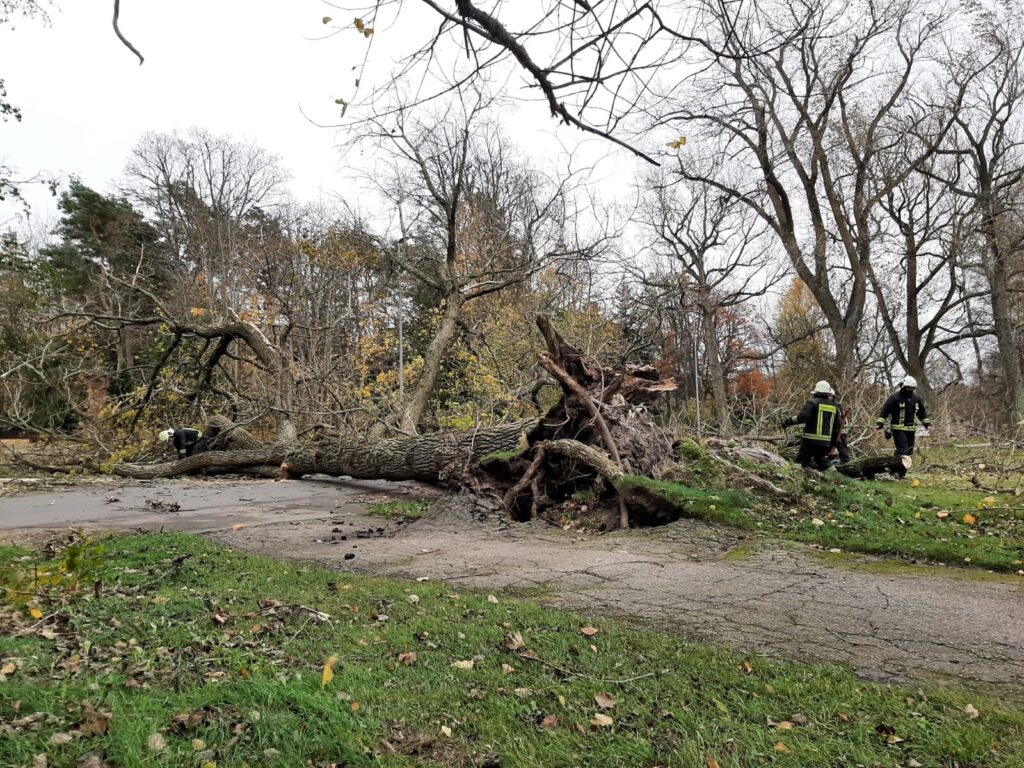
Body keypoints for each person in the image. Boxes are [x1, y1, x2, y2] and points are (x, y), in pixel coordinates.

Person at [781, 380, 842, 470]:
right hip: (825, 442)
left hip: (809, 440)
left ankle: (802, 476)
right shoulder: (834, 408)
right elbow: (837, 426)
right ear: (828, 393)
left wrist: (787, 422)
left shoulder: (812, 402)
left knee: (802, 461)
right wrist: (833, 444)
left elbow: (802, 417)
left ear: (816, 391)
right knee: (820, 459)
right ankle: (832, 473)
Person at [875, 375, 931, 468]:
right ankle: (896, 471)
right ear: (903, 386)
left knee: (909, 451)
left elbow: (922, 413)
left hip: (911, 429)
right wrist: (879, 424)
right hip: (898, 428)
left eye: (912, 388)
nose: (910, 390)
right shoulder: (895, 398)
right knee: (902, 450)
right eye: (908, 388)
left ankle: (902, 472)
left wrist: (928, 425)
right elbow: (885, 411)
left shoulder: (916, 399)